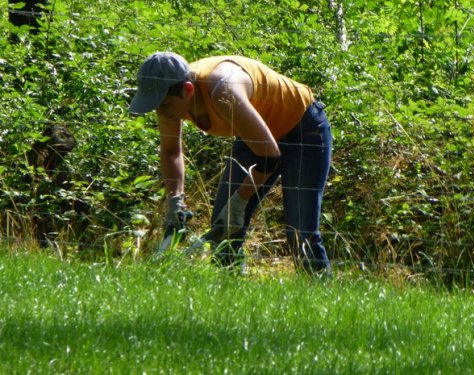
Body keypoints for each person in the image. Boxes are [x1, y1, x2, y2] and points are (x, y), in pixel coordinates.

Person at [129, 52, 332, 274]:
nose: (160, 111)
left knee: (300, 232)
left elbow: (269, 158)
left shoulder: (223, 90)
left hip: (303, 129)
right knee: (223, 229)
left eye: (163, 104)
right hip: (255, 137)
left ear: (188, 90)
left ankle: (321, 291)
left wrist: (239, 201)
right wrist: (175, 202)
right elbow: (170, 152)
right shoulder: (168, 96)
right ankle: (229, 295)